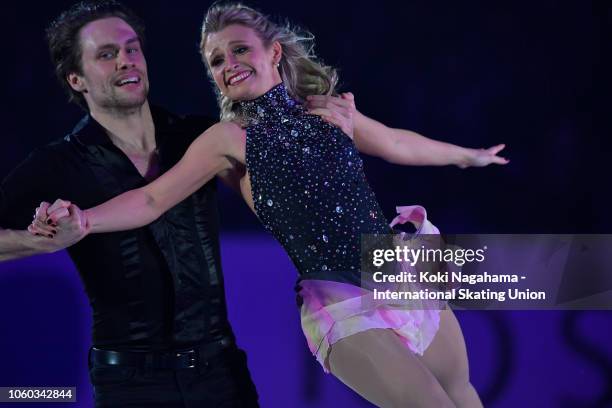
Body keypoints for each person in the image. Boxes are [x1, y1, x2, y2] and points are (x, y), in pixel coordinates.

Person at [29, 3, 508, 406]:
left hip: (393, 267)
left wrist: (467, 156)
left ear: (273, 52)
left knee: (461, 394)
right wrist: (85, 220)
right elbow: (153, 197)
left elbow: (396, 143)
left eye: (239, 49)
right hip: (340, 299)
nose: (228, 64)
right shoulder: (229, 139)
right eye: (216, 60)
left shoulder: (325, 109)